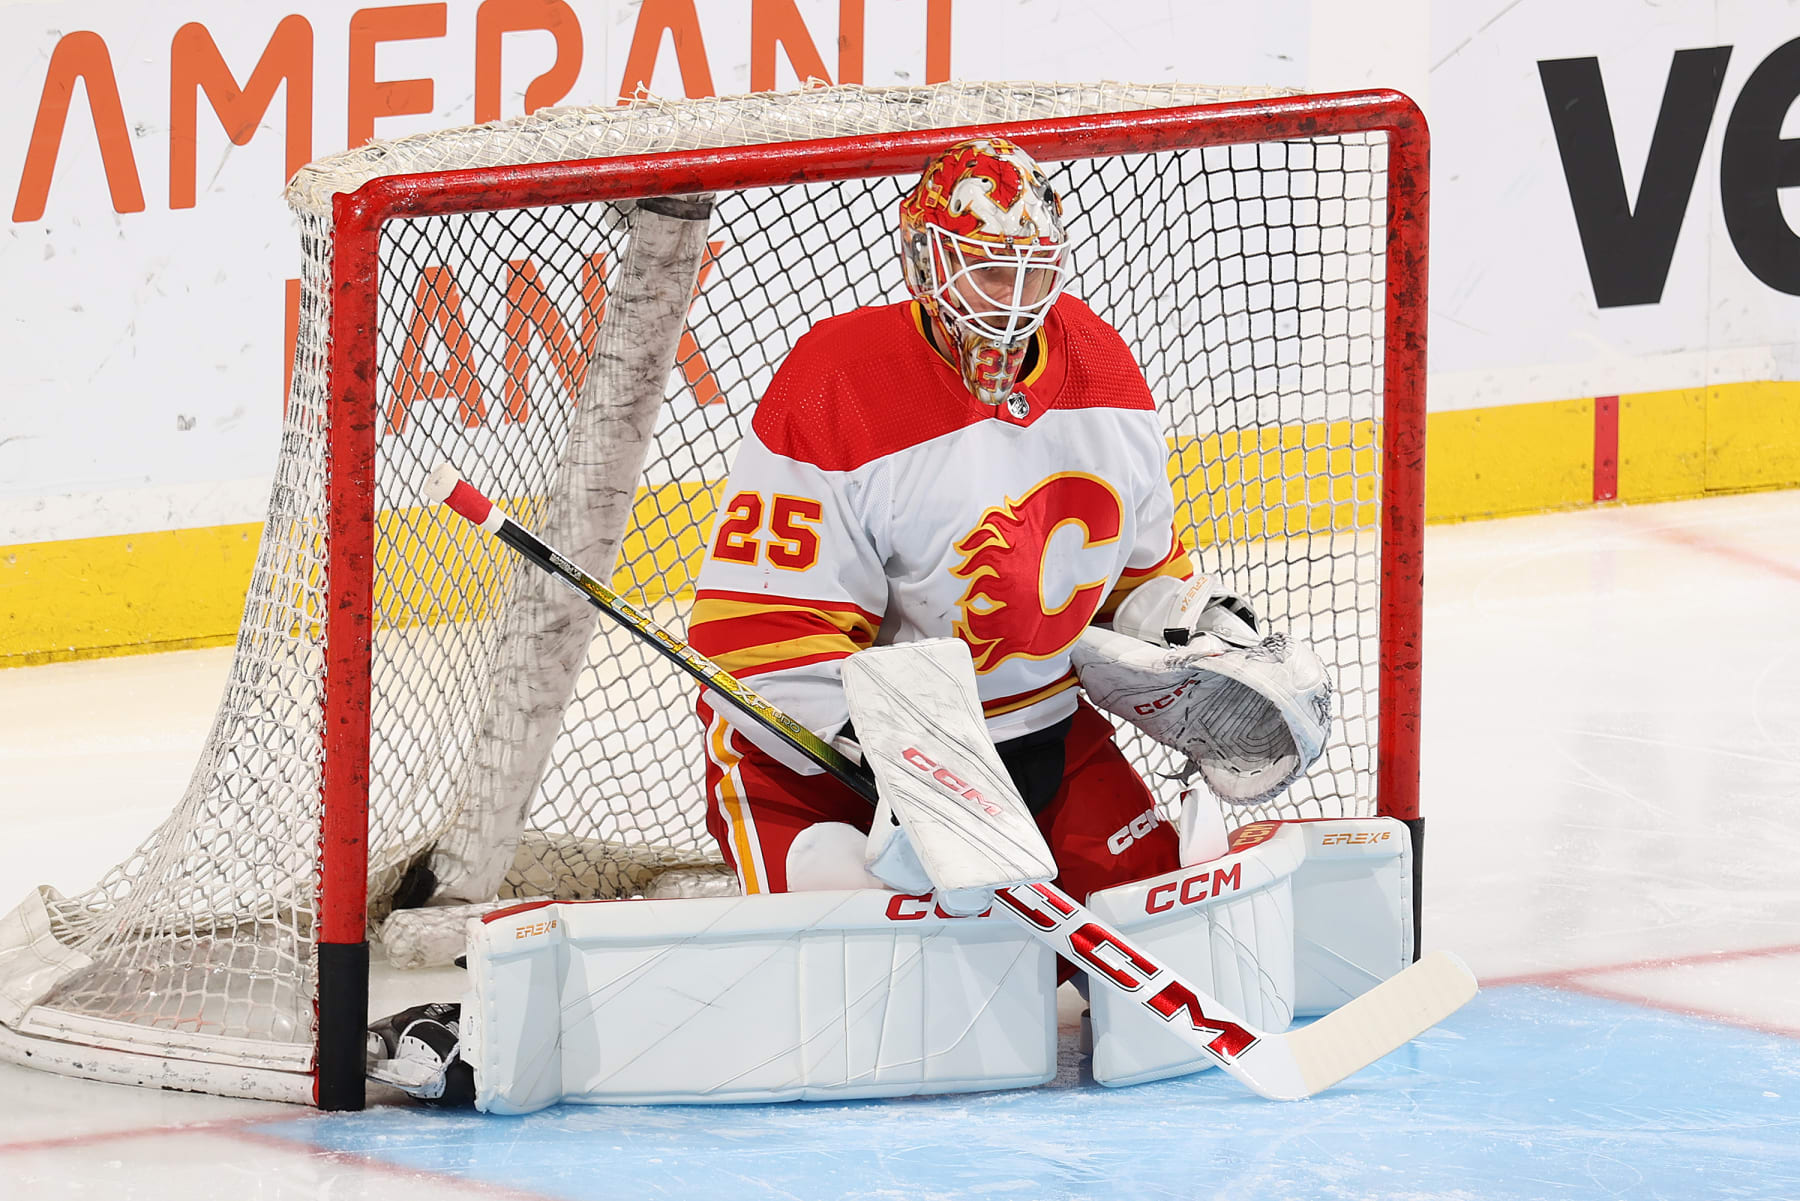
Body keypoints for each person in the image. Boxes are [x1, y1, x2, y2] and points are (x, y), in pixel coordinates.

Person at [687, 136, 1202, 904]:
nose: (1012, 299)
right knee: (904, 982)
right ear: (926, 263)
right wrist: (898, 749)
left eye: (1031, 272)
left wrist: (1198, 645)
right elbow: (760, 639)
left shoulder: (1103, 368)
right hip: (827, 776)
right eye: (988, 269)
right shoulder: (838, 384)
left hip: (1037, 742)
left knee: (1157, 928)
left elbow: (1139, 578)